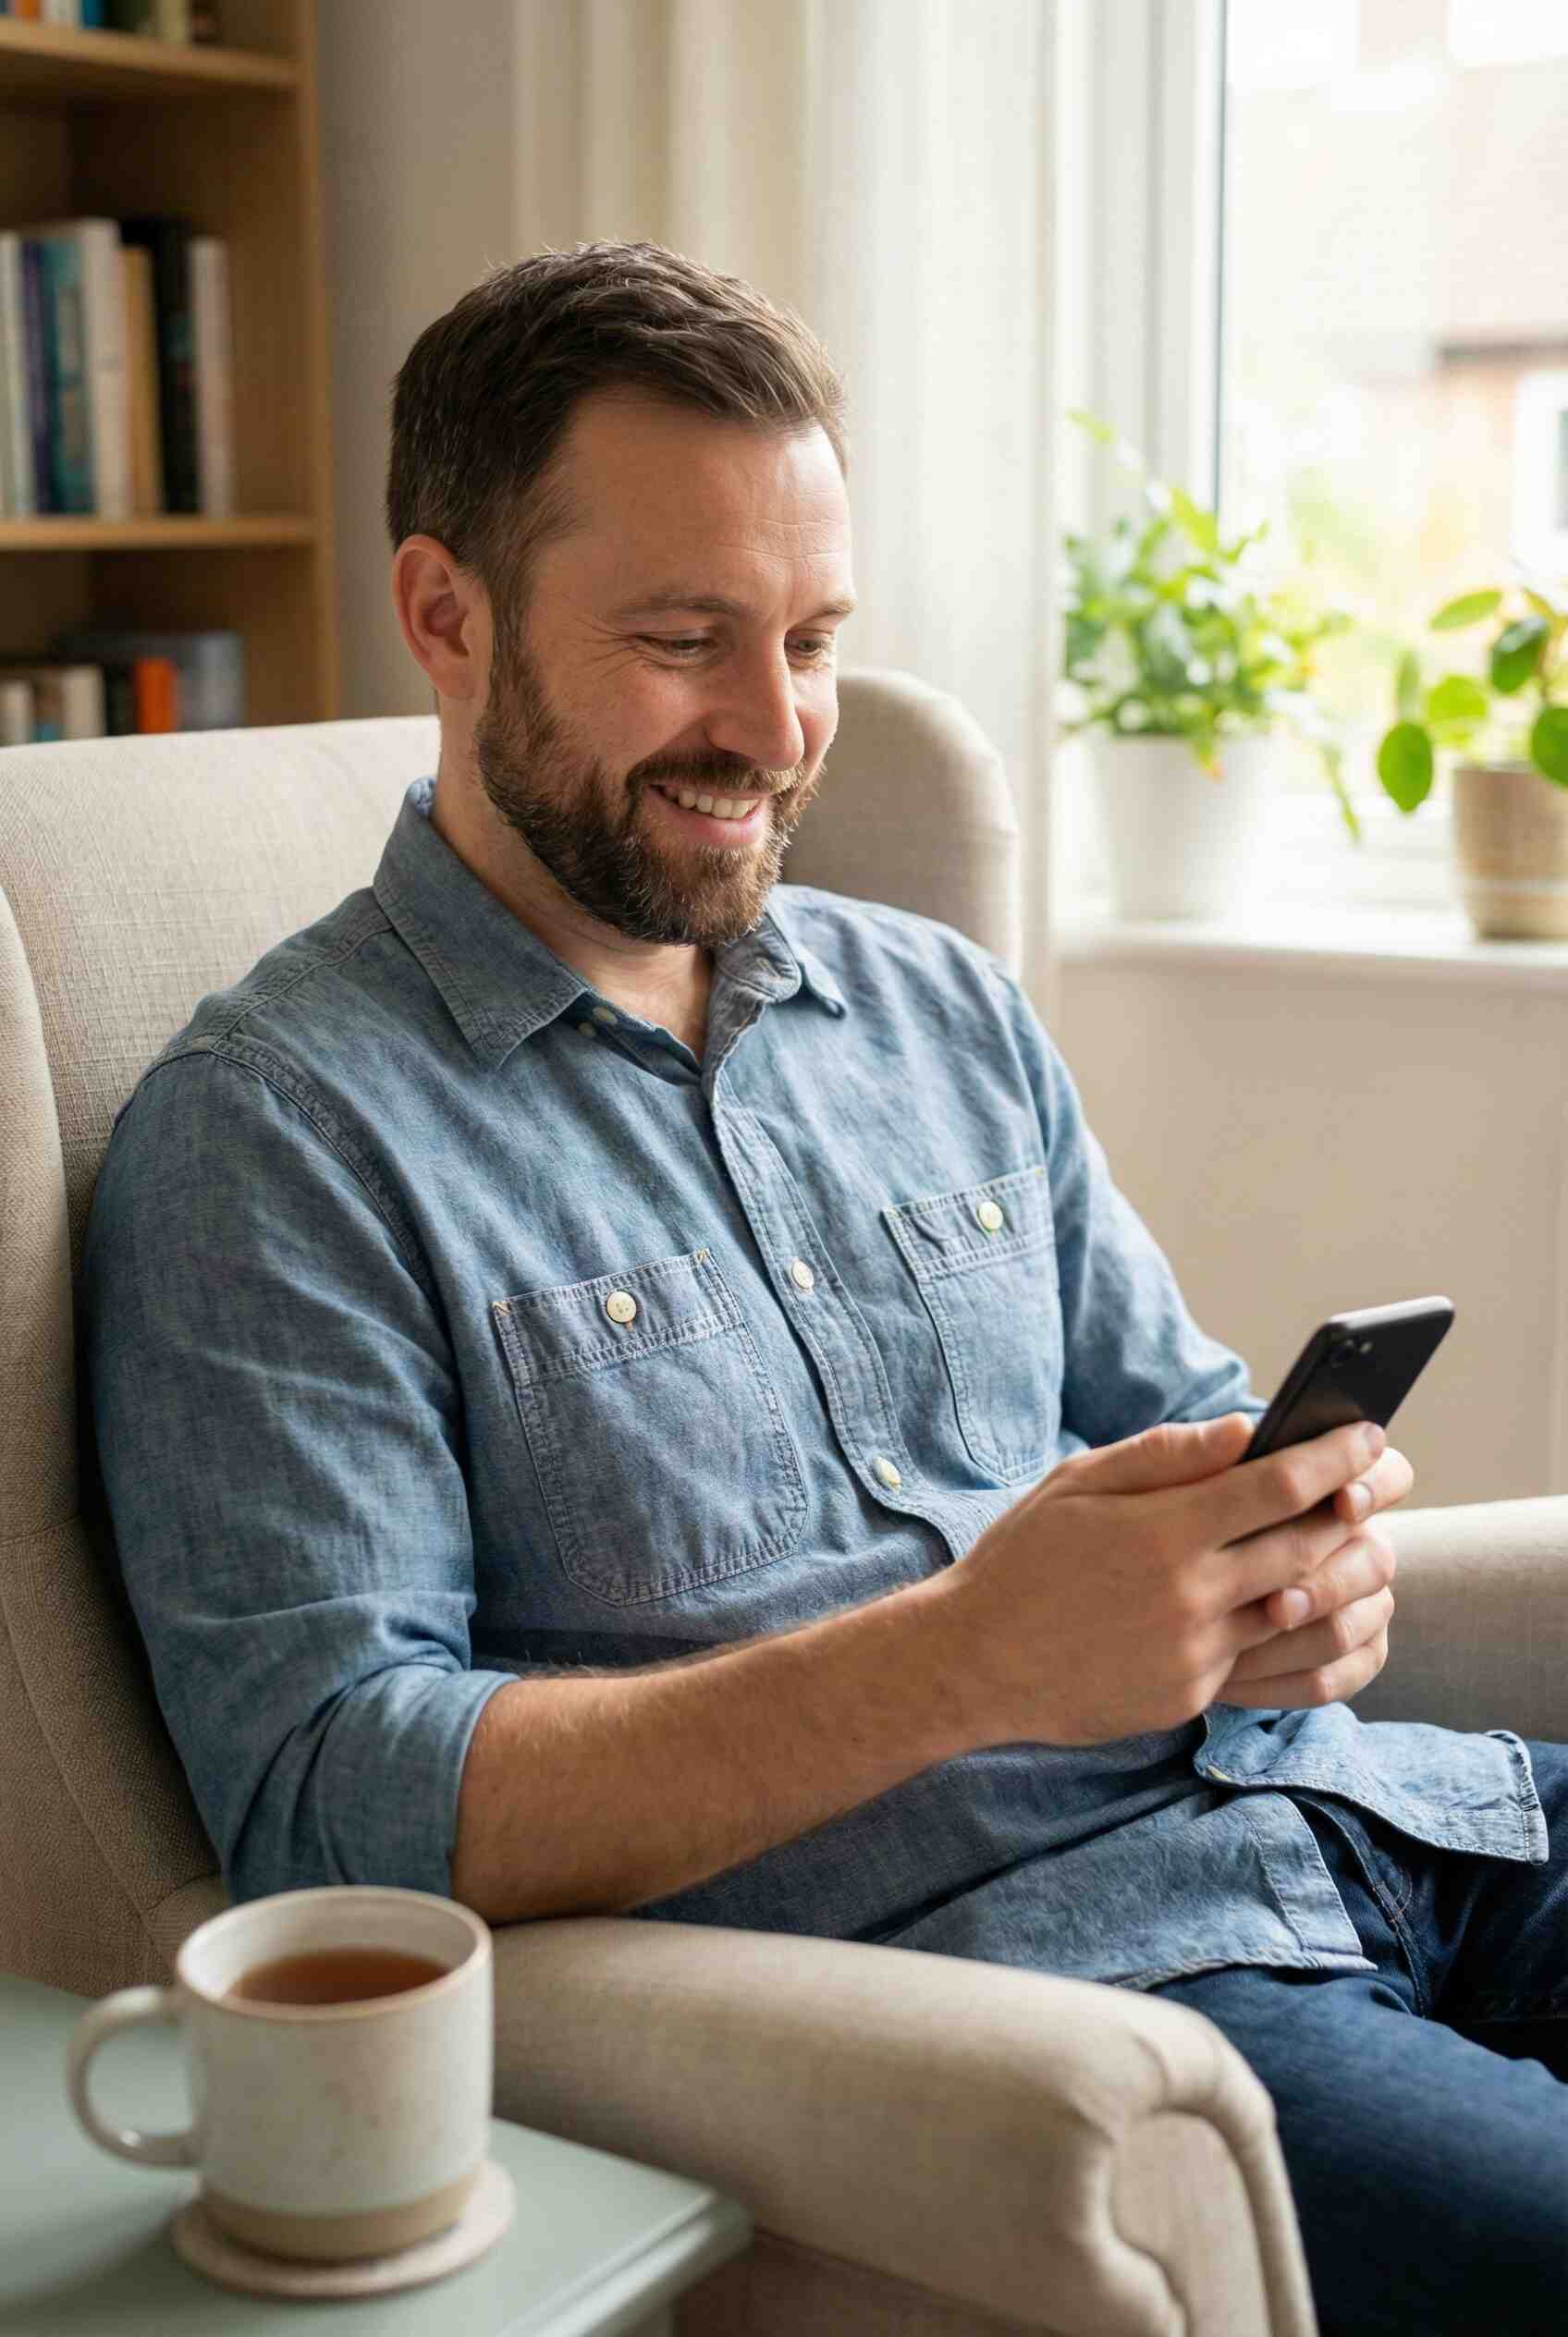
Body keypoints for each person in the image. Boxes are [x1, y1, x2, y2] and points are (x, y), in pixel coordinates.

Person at [82, 240, 1566, 2331]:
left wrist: (1296, 1571)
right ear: (445, 613)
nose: (774, 731)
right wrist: (968, 1657)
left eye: (810, 637)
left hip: (1391, 1818)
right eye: (683, 640)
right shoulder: (276, 1138)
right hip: (1087, 2003)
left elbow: (1181, 1416)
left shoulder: (935, 1007)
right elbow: (337, 1809)